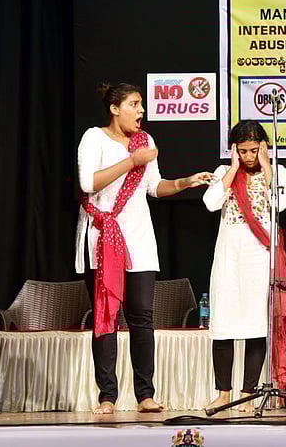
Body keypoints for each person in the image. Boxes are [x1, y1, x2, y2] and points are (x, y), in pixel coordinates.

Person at [75, 82, 212, 414]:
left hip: (137, 239)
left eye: (141, 105)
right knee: (106, 316)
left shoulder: (144, 142)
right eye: (134, 104)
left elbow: (154, 186)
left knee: (142, 316)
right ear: (114, 108)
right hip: (100, 237)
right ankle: (107, 395)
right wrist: (132, 160)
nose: (141, 111)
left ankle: (145, 394)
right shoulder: (94, 138)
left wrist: (184, 182)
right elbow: (88, 183)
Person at [202, 120, 286, 413]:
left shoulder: (277, 172)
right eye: (243, 151)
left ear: (264, 147)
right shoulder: (224, 173)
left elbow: (281, 203)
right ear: (234, 150)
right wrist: (230, 170)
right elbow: (210, 203)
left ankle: (249, 391)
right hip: (229, 259)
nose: (249, 156)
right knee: (223, 327)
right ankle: (224, 393)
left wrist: (267, 167)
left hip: (259, 258)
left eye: (254, 150)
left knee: (257, 325)